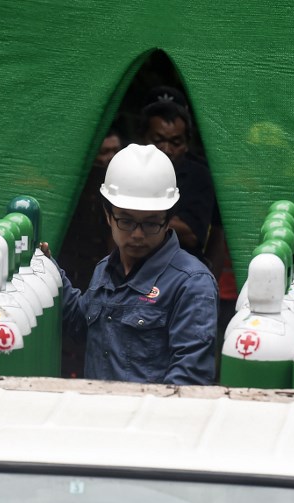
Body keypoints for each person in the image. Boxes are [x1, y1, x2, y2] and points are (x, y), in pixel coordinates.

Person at [43, 143, 218, 385]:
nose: (137, 235)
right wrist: (48, 271)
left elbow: (189, 380)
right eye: (126, 221)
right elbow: (81, 325)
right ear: (108, 215)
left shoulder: (192, 284)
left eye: (150, 223)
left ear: (169, 219)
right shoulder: (104, 270)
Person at [58, 129, 122, 378]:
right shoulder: (104, 270)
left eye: (114, 152)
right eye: (103, 152)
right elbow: (82, 320)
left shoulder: (188, 281)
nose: (109, 158)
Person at [140, 97, 218, 269]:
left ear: (186, 145)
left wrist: (136, 215)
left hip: (180, 274)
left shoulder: (199, 176)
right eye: (158, 140)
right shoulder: (128, 168)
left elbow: (191, 235)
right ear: (143, 138)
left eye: (175, 142)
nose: (166, 149)